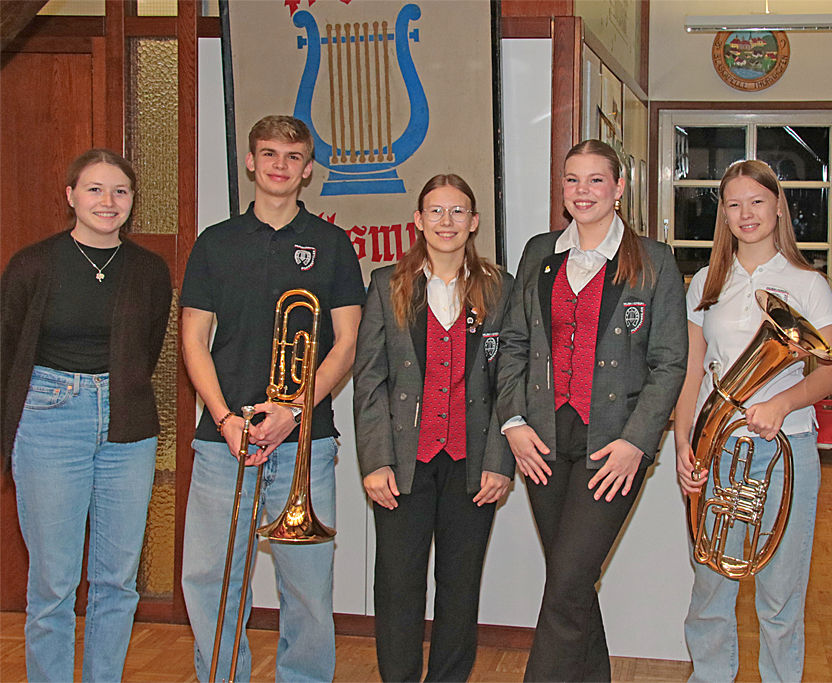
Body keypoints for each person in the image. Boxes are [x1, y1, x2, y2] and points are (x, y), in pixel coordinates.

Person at [179, 115, 364, 682]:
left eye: (292, 157)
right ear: (251, 163)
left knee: (307, 586)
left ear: (307, 170)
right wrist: (225, 418)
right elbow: (193, 339)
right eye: (269, 154)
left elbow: (347, 342)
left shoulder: (333, 245)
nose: (280, 166)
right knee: (211, 578)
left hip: (305, 440)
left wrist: (294, 411)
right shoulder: (215, 242)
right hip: (223, 441)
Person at [496, 139, 687, 682]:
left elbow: (670, 363)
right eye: (572, 180)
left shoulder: (654, 260)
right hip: (542, 442)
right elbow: (513, 343)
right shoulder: (538, 252)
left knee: (567, 582)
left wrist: (637, 442)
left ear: (619, 188)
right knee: (569, 580)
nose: (583, 191)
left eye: (596, 180)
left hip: (615, 446)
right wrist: (513, 423)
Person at [0, 149, 172, 682]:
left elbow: (146, 348)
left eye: (119, 191)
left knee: (117, 581)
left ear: (131, 202)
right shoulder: (32, 264)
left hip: (128, 428)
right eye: (95, 189)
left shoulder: (149, 269)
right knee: (53, 583)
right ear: (71, 195)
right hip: (49, 420)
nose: (107, 201)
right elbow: (6, 350)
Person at [675, 160, 832, 682]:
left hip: (786, 448)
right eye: (734, 204)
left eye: (757, 202)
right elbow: (690, 372)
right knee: (710, 588)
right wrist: (685, 444)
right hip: (716, 449)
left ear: (777, 207)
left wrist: (784, 403)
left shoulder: (808, 282)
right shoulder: (706, 281)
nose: (746, 214)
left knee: (779, 595)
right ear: (723, 214)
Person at [353, 173, 515, 682]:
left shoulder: (499, 288)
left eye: (458, 211)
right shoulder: (386, 284)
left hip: (472, 465)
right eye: (436, 211)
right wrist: (375, 459)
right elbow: (370, 380)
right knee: (398, 585)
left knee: (460, 585)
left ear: (475, 221)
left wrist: (499, 461)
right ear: (419, 221)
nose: (447, 222)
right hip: (403, 462)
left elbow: (510, 379)